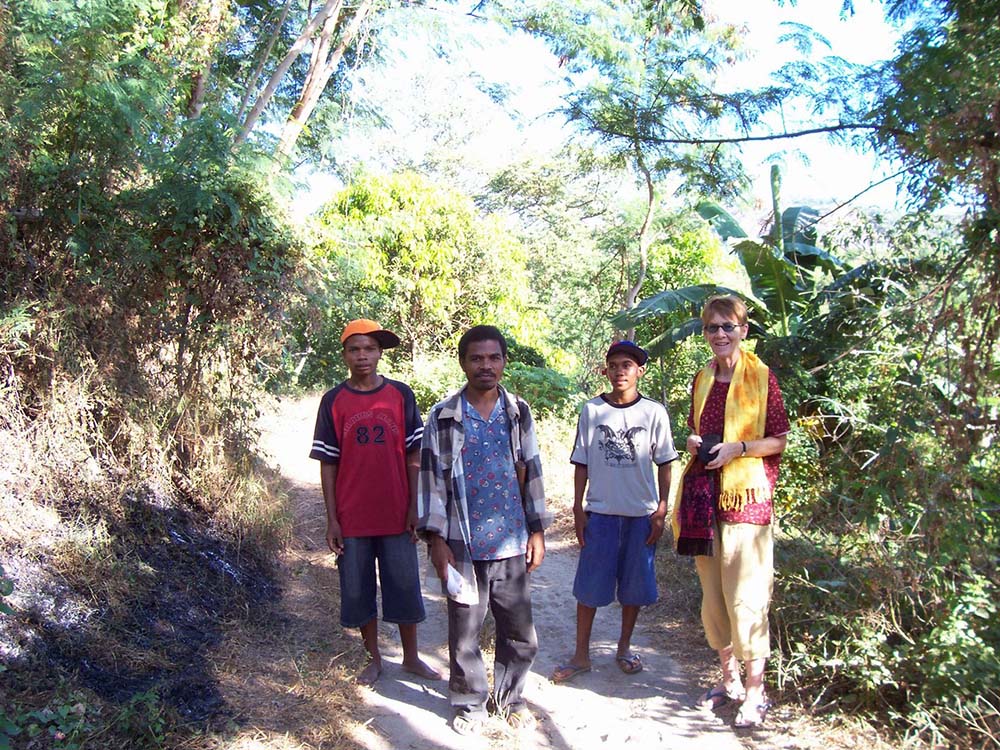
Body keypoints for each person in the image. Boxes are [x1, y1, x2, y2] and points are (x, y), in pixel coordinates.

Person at [417, 325, 551, 735]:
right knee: (465, 631)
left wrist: (537, 531)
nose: (486, 366)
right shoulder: (442, 416)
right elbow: (430, 481)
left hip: (510, 540)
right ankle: (470, 703)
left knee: (518, 630)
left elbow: (532, 470)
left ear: (504, 362)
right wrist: (436, 541)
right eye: (477, 358)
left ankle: (510, 698)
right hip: (462, 543)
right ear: (463, 363)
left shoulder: (518, 412)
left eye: (493, 358)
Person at [672, 295, 789, 728]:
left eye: (728, 326)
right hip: (703, 498)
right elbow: (696, 430)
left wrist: (740, 448)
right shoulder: (702, 377)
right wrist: (693, 443)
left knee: (747, 599)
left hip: (747, 502)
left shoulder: (762, 377)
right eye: (711, 328)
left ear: (743, 329)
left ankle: (756, 694)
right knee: (715, 598)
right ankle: (730, 681)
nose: (719, 334)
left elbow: (778, 439)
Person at [309, 319, 442, 686]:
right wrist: (332, 518)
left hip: (396, 512)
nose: (363, 356)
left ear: (380, 353)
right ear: (345, 355)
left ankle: (412, 658)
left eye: (369, 349)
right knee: (357, 587)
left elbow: (414, 454)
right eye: (355, 349)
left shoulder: (401, 395)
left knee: (403, 584)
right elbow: (328, 462)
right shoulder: (333, 401)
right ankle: (373, 658)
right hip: (352, 516)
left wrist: (414, 506)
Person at [551, 340, 678, 684]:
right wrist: (578, 509)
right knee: (589, 588)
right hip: (601, 515)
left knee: (634, 589)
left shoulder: (653, 413)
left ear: (640, 371)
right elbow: (581, 463)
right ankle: (581, 654)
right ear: (605, 370)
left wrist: (662, 508)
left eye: (627, 365)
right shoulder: (592, 411)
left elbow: (665, 463)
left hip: (641, 515)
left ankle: (623, 647)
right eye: (614, 364)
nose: (620, 371)